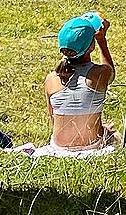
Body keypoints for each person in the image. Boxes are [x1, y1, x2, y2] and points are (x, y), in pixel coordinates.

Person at [43, 12, 117, 155]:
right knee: (112, 133)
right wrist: (102, 41)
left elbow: (53, 117)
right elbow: (111, 72)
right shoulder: (99, 74)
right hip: (92, 145)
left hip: (59, 147)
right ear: (90, 47)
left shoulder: (51, 79)